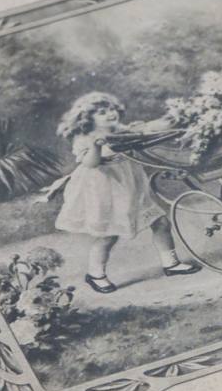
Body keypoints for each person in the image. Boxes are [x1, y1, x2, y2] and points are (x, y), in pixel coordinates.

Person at [48, 92, 200, 294]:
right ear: (87, 118)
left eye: (112, 110)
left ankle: (171, 263)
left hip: (130, 183)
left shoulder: (118, 130)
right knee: (109, 235)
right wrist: (96, 146)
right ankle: (95, 274)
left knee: (161, 222)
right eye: (102, 112)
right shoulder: (85, 137)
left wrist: (168, 121)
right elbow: (90, 163)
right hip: (104, 188)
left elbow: (146, 133)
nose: (110, 114)